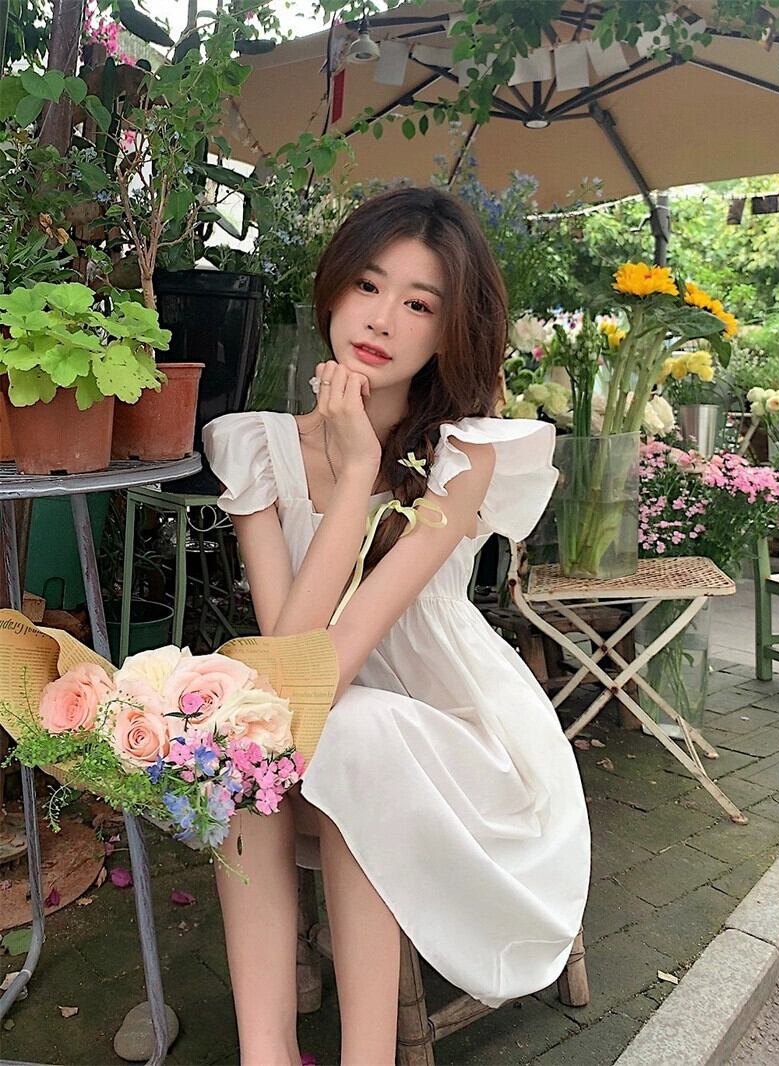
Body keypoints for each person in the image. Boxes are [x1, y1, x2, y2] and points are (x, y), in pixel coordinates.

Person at [202, 185, 591, 1066]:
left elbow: (330, 668)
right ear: (334, 288)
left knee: (352, 738)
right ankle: (266, 1054)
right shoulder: (260, 447)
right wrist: (350, 480)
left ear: (449, 333)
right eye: (369, 286)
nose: (381, 319)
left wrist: (362, 471)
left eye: (419, 304)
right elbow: (287, 667)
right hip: (318, 723)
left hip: (461, 740)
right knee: (243, 744)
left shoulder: (463, 457)